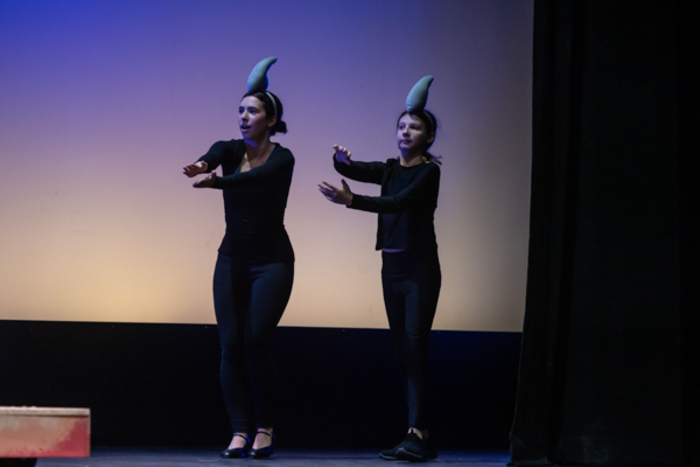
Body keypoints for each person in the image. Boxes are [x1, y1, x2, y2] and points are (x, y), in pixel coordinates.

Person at [318, 76, 441, 462]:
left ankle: (418, 433)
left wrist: (351, 201)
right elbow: (358, 169)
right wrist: (342, 161)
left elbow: (398, 203)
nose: (406, 131)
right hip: (391, 269)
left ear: (429, 136)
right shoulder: (389, 168)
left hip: (419, 269)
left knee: (416, 347)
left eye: (415, 126)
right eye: (402, 126)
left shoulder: (427, 173)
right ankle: (416, 433)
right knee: (403, 351)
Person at [183, 57, 293, 460]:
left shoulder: (283, 157)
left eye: (253, 111)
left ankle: (265, 427)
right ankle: (239, 431)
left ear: (271, 118)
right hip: (231, 259)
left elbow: (255, 180)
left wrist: (219, 183)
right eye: (241, 111)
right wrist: (203, 164)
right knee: (230, 345)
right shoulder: (229, 149)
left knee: (255, 341)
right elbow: (213, 153)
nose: (244, 117)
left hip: (272, 263)